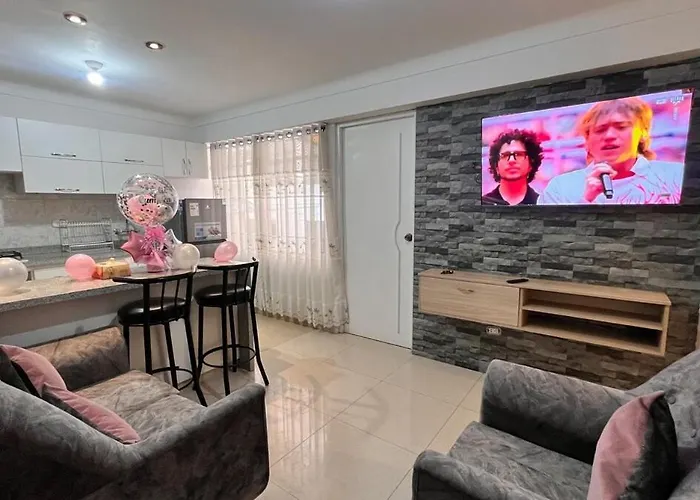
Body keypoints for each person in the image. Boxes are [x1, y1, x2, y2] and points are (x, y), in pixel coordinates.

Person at [538, 96, 685, 205]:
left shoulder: (677, 176)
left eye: (621, 127)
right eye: (600, 129)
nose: (609, 136)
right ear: (587, 141)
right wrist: (586, 200)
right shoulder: (561, 187)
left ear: (643, 132)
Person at [482, 129, 543, 205]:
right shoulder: (484, 203)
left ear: (531, 163)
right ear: (496, 166)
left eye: (519, 154)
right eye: (505, 155)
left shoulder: (541, 203)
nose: (511, 160)